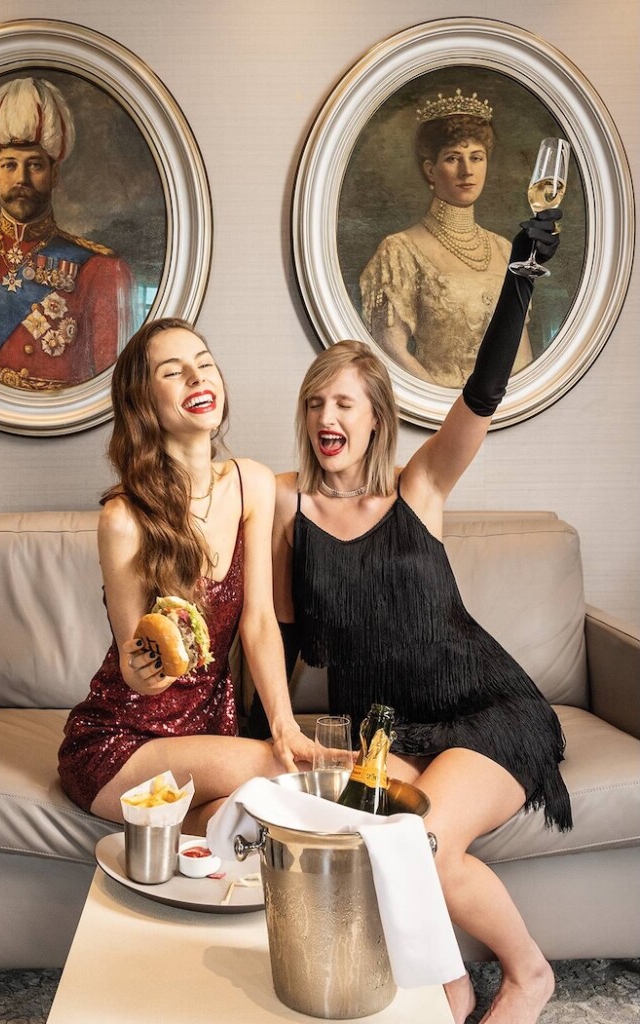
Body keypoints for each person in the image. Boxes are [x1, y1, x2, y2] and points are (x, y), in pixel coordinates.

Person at [270, 212, 570, 1024]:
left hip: (488, 710)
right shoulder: (287, 511)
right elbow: (280, 638)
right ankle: (453, 987)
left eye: (344, 402)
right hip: (389, 731)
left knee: (418, 843)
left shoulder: (419, 486)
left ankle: (530, 976)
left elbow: (482, 397)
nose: (327, 417)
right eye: (316, 402)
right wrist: (264, 734)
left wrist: (519, 280)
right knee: (368, 842)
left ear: (375, 417)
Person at [58, 317, 313, 835]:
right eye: (173, 372)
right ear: (144, 402)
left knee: (244, 831)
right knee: (286, 774)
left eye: (205, 364)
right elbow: (133, 668)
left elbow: (259, 621)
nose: (198, 378)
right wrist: (148, 666)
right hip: (124, 744)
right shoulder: (124, 518)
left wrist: (284, 724)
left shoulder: (252, 484)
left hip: (209, 734)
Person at [0, 77, 136, 391]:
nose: (21, 179)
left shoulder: (100, 269)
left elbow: (113, 389)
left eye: (35, 165)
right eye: (9, 165)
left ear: (54, 173)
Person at [359, 89, 532, 387]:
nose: (467, 171)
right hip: (435, 406)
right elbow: (390, 349)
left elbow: (521, 353)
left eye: (476, 158)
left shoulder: (505, 249)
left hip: (507, 407)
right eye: (453, 158)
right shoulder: (399, 250)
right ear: (430, 170)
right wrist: (450, 405)